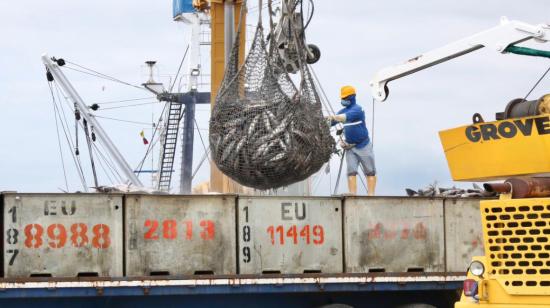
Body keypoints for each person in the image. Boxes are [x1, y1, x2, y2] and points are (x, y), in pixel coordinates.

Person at [327, 85, 376, 195]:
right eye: (342, 98)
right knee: (351, 172)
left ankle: (371, 195)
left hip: (363, 145)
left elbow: (343, 117)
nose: (343, 100)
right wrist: (324, 121)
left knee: (370, 171)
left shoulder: (358, 110)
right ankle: (353, 194)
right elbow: (331, 123)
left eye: (345, 98)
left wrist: (333, 117)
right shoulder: (342, 110)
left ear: (352, 97)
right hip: (350, 147)